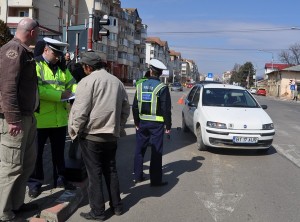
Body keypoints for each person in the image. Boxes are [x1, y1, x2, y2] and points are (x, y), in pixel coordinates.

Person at [68, 51, 130, 220]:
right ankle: (117, 206)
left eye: (83, 67)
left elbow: (80, 111)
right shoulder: (117, 82)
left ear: (88, 67)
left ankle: (98, 211)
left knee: (94, 174)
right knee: (111, 170)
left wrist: (74, 131)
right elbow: (126, 109)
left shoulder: (87, 82)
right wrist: (119, 126)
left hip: (91, 136)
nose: (83, 69)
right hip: (111, 135)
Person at [0, 18, 40, 221]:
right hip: (15, 121)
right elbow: (7, 88)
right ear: (32, 32)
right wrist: (13, 119)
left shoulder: (25, 51)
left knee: (25, 164)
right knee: (11, 167)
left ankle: (16, 204)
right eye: (38, 32)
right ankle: (3, 212)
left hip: (28, 117)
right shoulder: (13, 50)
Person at [27, 37, 77, 198]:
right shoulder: (35, 65)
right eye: (55, 53)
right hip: (40, 119)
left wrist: (75, 91)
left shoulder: (62, 68)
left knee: (58, 153)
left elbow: (72, 84)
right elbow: (36, 90)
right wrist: (59, 95)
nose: (58, 57)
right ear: (45, 50)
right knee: (36, 154)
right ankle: (34, 183)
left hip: (59, 119)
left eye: (60, 54)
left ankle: (60, 179)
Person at [132, 59, 172, 186]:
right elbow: (166, 108)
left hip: (142, 123)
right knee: (156, 152)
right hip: (156, 125)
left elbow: (134, 107)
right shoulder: (162, 87)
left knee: (139, 150)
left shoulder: (139, 86)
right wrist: (168, 125)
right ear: (160, 73)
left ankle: (138, 176)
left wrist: (136, 122)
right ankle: (155, 180)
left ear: (150, 71)